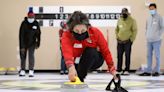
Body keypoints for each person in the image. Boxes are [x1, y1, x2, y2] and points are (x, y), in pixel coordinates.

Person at [61, 11, 117, 82]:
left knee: (90, 51)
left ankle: (80, 77)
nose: (80, 33)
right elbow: (67, 51)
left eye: (83, 30)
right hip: (77, 62)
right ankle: (78, 78)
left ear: (87, 27)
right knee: (74, 71)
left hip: (95, 60)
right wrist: (70, 67)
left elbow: (105, 51)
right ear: (72, 29)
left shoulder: (95, 32)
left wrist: (112, 69)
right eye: (77, 31)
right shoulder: (67, 35)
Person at [139, 3, 163, 76]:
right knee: (148, 55)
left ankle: (157, 71)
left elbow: (162, 27)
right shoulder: (148, 18)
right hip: (149, 40)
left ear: (155, 9)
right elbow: (146, 28)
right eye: (150, 9)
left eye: (152, 9)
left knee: (157, 55)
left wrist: (158, 35)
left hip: (156, 40)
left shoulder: (159, 17)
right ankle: (149, 70)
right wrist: (147, 35)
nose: (151, 10)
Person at [19, 9, 41, 77]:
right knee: (23, 56)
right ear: (27, 17)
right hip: (24, 43)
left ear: (34, 17)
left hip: (32, 43)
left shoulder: (36, 23)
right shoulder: (24, 23)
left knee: (31, 56)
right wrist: (21, 46)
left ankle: (31, 70)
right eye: (30, 17)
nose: (31, 18)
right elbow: (21, 35)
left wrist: (38, 43)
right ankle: (22, 70)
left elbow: (39, 34)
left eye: (32, 17)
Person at [115, 8, 137, 75]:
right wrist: (117, 37)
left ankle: (127, 69)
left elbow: (135, 30)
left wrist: (131, 39)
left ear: (127, 13)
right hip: (119, 41)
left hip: (128, 41)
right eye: (123, 13)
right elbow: (116, 29)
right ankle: (119, 69)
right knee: (119, 55)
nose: (124, 14)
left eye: (125, 13)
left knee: (127, 55)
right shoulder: (119, 20)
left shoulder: (132, 20)